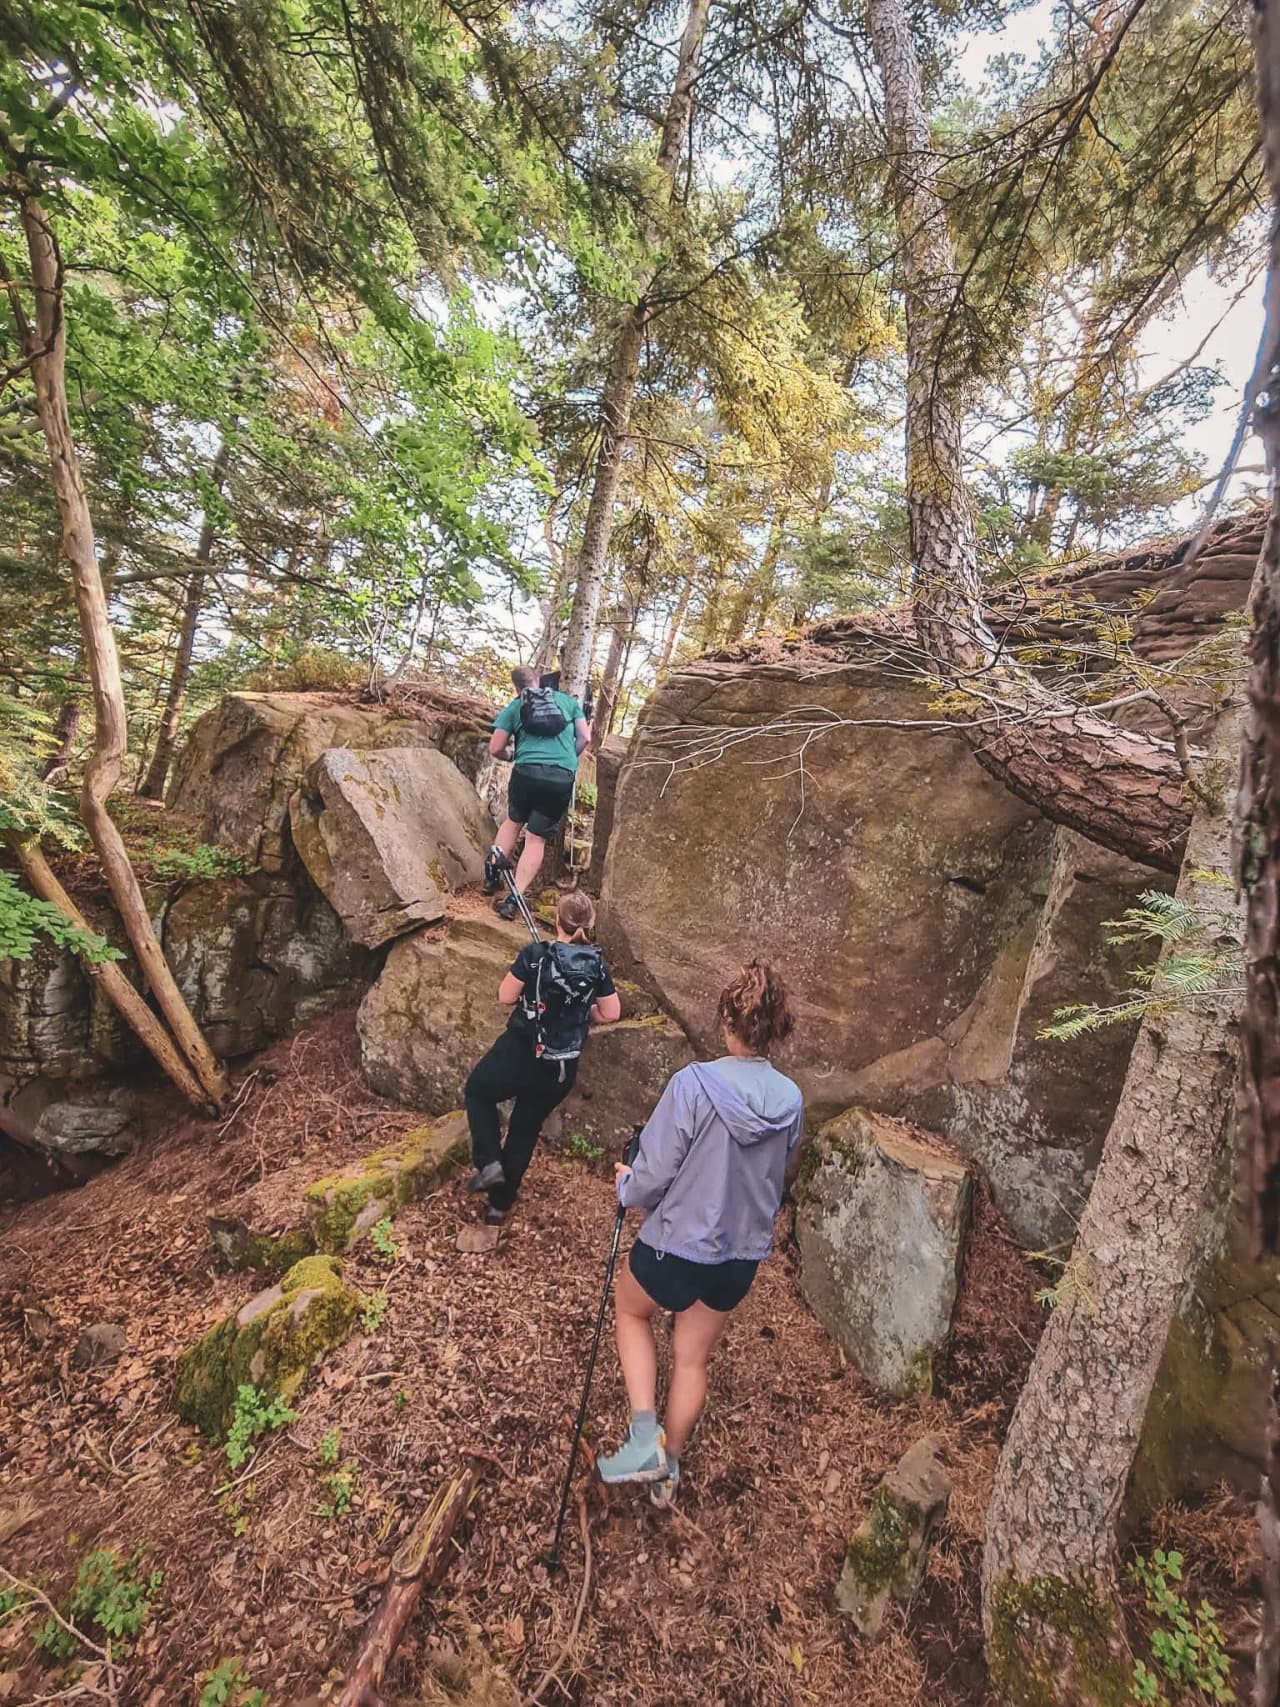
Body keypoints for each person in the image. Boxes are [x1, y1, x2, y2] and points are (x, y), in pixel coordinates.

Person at [596, 961, 804, 1507]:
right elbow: (777, 1172)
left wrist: (626, 1187)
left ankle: (645, 1440)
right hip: (739, 1258)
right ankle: (668, 1470)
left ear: (726, 1020)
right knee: (692, 1358)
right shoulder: (791, 1102)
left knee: (630, 1307)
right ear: (777, 1027)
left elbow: (656, 1172)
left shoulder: (693, 1085)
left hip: (676, 1246)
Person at [463, 890, 621, 1225]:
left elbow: (505, 996)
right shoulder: (596, 964)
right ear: (589, 924)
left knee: (478, 1091)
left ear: (557, 920)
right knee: (525, 1127)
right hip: (561, 1067)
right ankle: (498, 1207)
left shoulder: (535, 954)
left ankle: (489, 1162)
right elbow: (611, 1012)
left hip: (521, 1051)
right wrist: (583, 1011)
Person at [484, 664, 590, 921]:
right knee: (535, 840)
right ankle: (514, 900)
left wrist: (513, 755)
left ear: (517, 687)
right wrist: (567, 759)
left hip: (526, 772)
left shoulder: (515, 706)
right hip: (560, 777)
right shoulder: (566, 701)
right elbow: (585, 737)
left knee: (513, 822)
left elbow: (495, 748)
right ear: (539, 681)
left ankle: (491, 878)